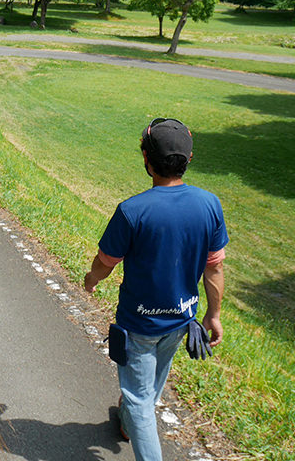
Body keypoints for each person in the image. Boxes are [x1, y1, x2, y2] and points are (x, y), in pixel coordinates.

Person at [84, 118, 228, 461]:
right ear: (188, 159)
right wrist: (215, 314)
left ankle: (135, 421)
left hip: (139, 326)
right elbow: (215, 266)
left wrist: (91, 279)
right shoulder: (209, 205)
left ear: (146, 160)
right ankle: (129, 423)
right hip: (181, 322)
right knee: (147, 392)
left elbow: (106, 261)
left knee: (137, 398)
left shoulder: (133, 211)